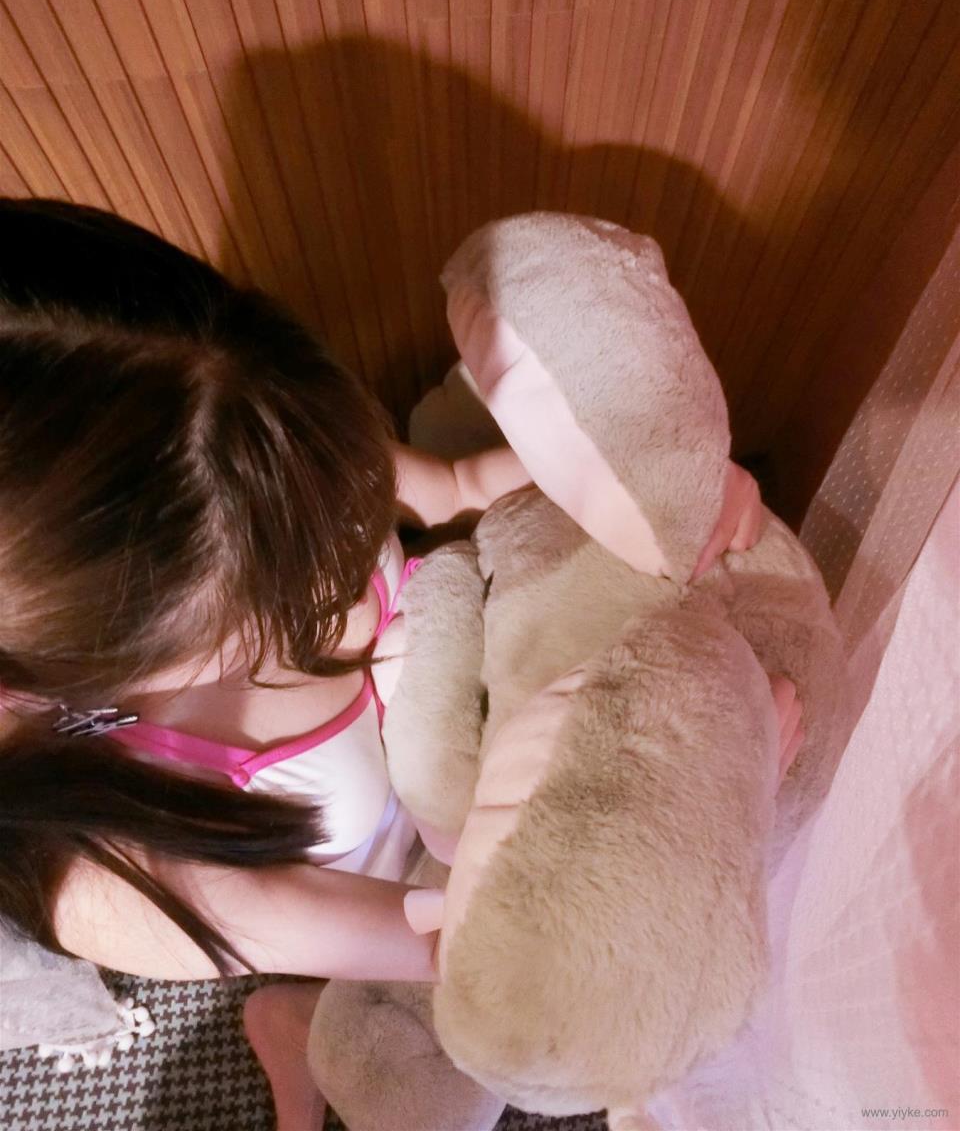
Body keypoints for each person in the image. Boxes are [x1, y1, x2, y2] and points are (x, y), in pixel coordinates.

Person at [0, 197, 794, 1129]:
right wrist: (706, 792)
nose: (335, 583)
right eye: (272, 607)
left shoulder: (240, 439)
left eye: (340, 520)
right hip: (410, 906)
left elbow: (455, 489)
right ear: (70, 670)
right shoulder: (99, 876)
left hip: (478, 728)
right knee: (441, 1093)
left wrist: (660, 488)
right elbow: (465, 948)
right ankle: (302, 1027)